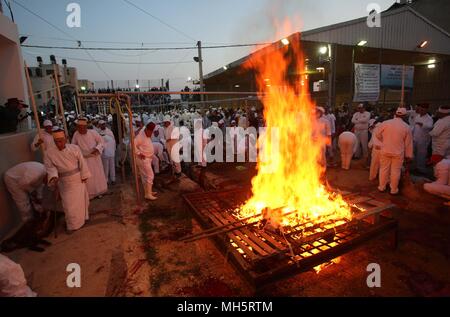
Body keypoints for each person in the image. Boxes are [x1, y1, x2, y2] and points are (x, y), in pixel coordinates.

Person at [44, 129, 91, 233]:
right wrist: (53, 176)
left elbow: (82, 162)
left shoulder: (74, 148)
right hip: (64, 182)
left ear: (65, 139)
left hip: (78, 179)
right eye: (56, 141)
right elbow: (50, 167)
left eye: (61, 141)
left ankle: (83, 219)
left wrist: (84, 175)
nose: (59, 144)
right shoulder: (49, 153)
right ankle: (72, 225)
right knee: (69, 206)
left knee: (82, 201)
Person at [375, 107, 414, 195]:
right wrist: (409, 156)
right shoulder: (406, 127)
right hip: (398, 153)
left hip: (385, 150)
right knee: (395, 171)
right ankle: (393, 190)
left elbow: (377, 134)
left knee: (383, 169)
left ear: (395, 114)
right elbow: (408, 143)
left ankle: (381, 187)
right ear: (404, 116)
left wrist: (384, 140)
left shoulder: (386, 123)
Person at [71, 118, 108, 199]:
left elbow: (101, 141)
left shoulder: (93, 132)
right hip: (84, 159)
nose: (81, 129)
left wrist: (96, 148)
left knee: (97, 175)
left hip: (95, 158)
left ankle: (99, 192)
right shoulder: (76, 134)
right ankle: (90, 194)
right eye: (79, 127)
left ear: (85, 126)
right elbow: (73, 146)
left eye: (82, 127)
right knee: (88, 177)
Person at [135, 122, 158, 201]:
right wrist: (138, 153)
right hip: (143, 159)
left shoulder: (146, 134)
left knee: (145, 177)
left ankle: (148, 192)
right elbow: (132, 145)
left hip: (148, 158)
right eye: (150, 132)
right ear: (147, 130)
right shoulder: (140, 136)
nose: (151, 134)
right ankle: (148, 194)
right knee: (150, 175)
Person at [409, 104, 434, 174]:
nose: (421, 111)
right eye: (420, 109)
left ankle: (421, 169)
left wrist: (422, 124)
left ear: (426, 110)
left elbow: (430, 126)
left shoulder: (429, 118)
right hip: (415, 138)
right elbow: (414, 127)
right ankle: (414, 167)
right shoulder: (417, 116)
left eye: (423, 110)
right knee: (413, 154)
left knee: (421, 155)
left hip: (423, 140)